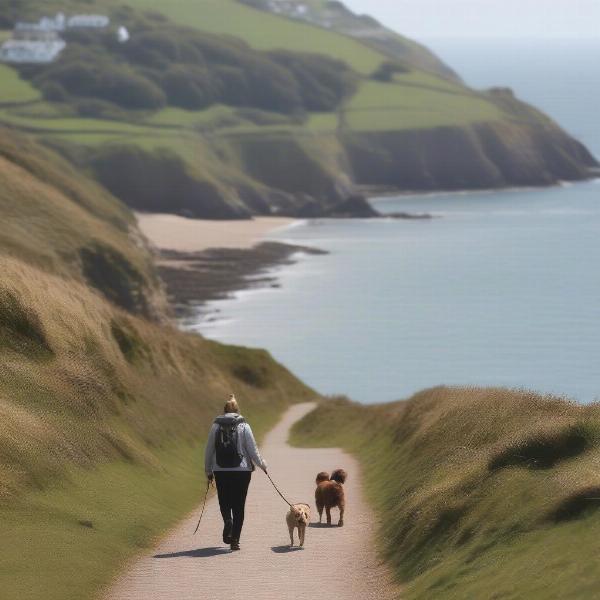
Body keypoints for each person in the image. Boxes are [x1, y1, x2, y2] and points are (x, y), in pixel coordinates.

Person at [204, 394, 267, 551]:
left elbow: (209, 449)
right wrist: (263, 465)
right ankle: (235, 541)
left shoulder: (215, 426)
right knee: (239, 505)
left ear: (224, 410)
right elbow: (252, 450)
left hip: (221, 470)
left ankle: (227, 521)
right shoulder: (244, 426)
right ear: (237, 410)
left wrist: (208, 470)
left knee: (224, 500)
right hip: (242, 470)